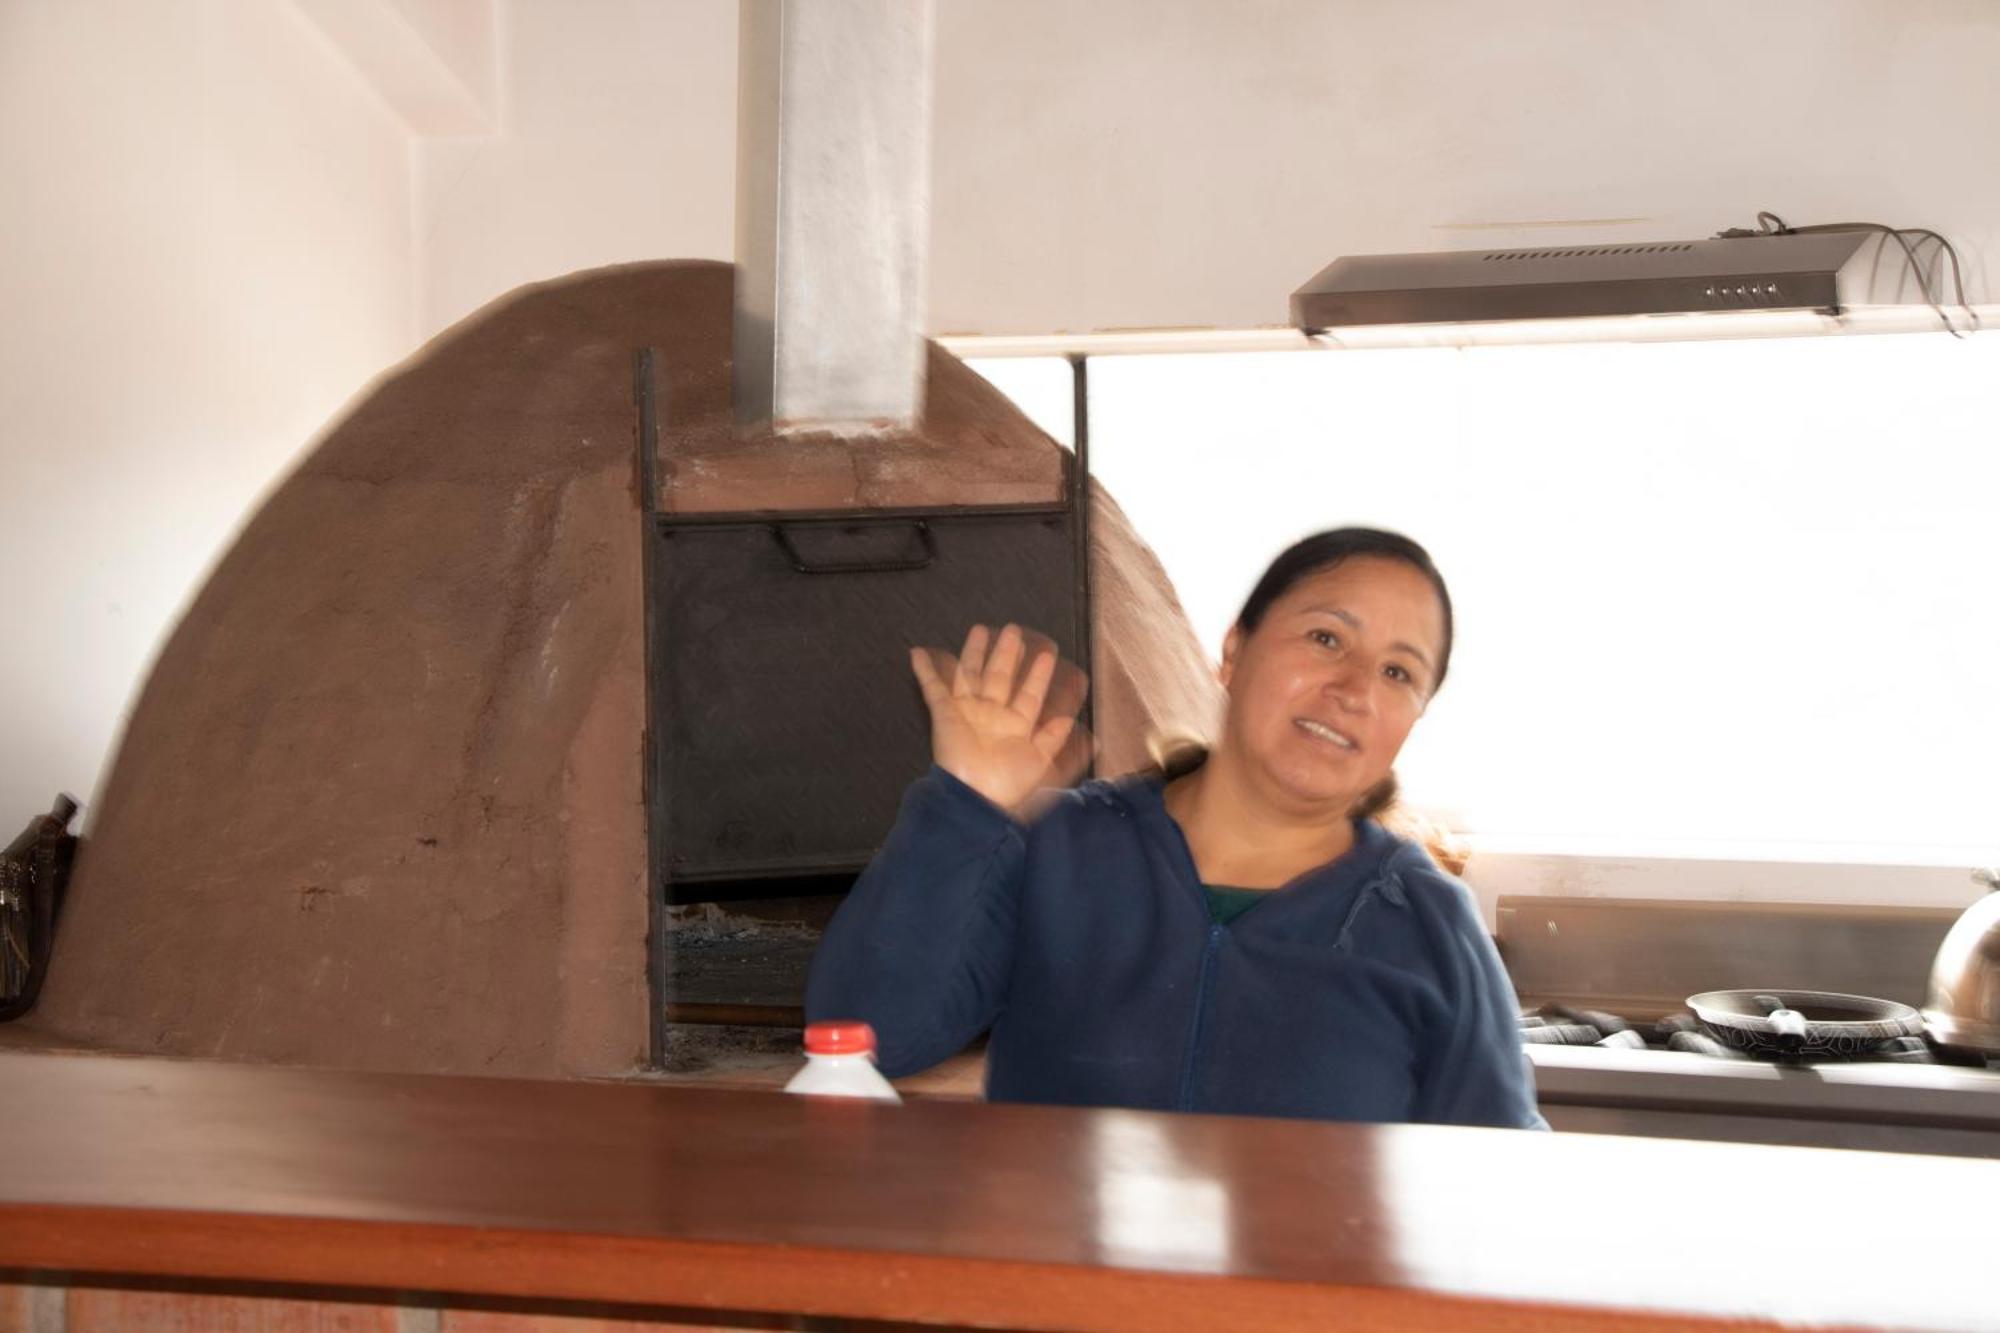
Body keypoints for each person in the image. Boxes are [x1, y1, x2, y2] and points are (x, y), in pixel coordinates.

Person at [804, 528, 1544, 1127]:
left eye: (1398, 674)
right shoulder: (1061, 850)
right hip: (1062, 1306)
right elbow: (868, 1036)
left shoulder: (1424, 921)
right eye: (1325, 638)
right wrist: (965, 804)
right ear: (1233, 649)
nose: (1353, 689)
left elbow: (1499, 1189)